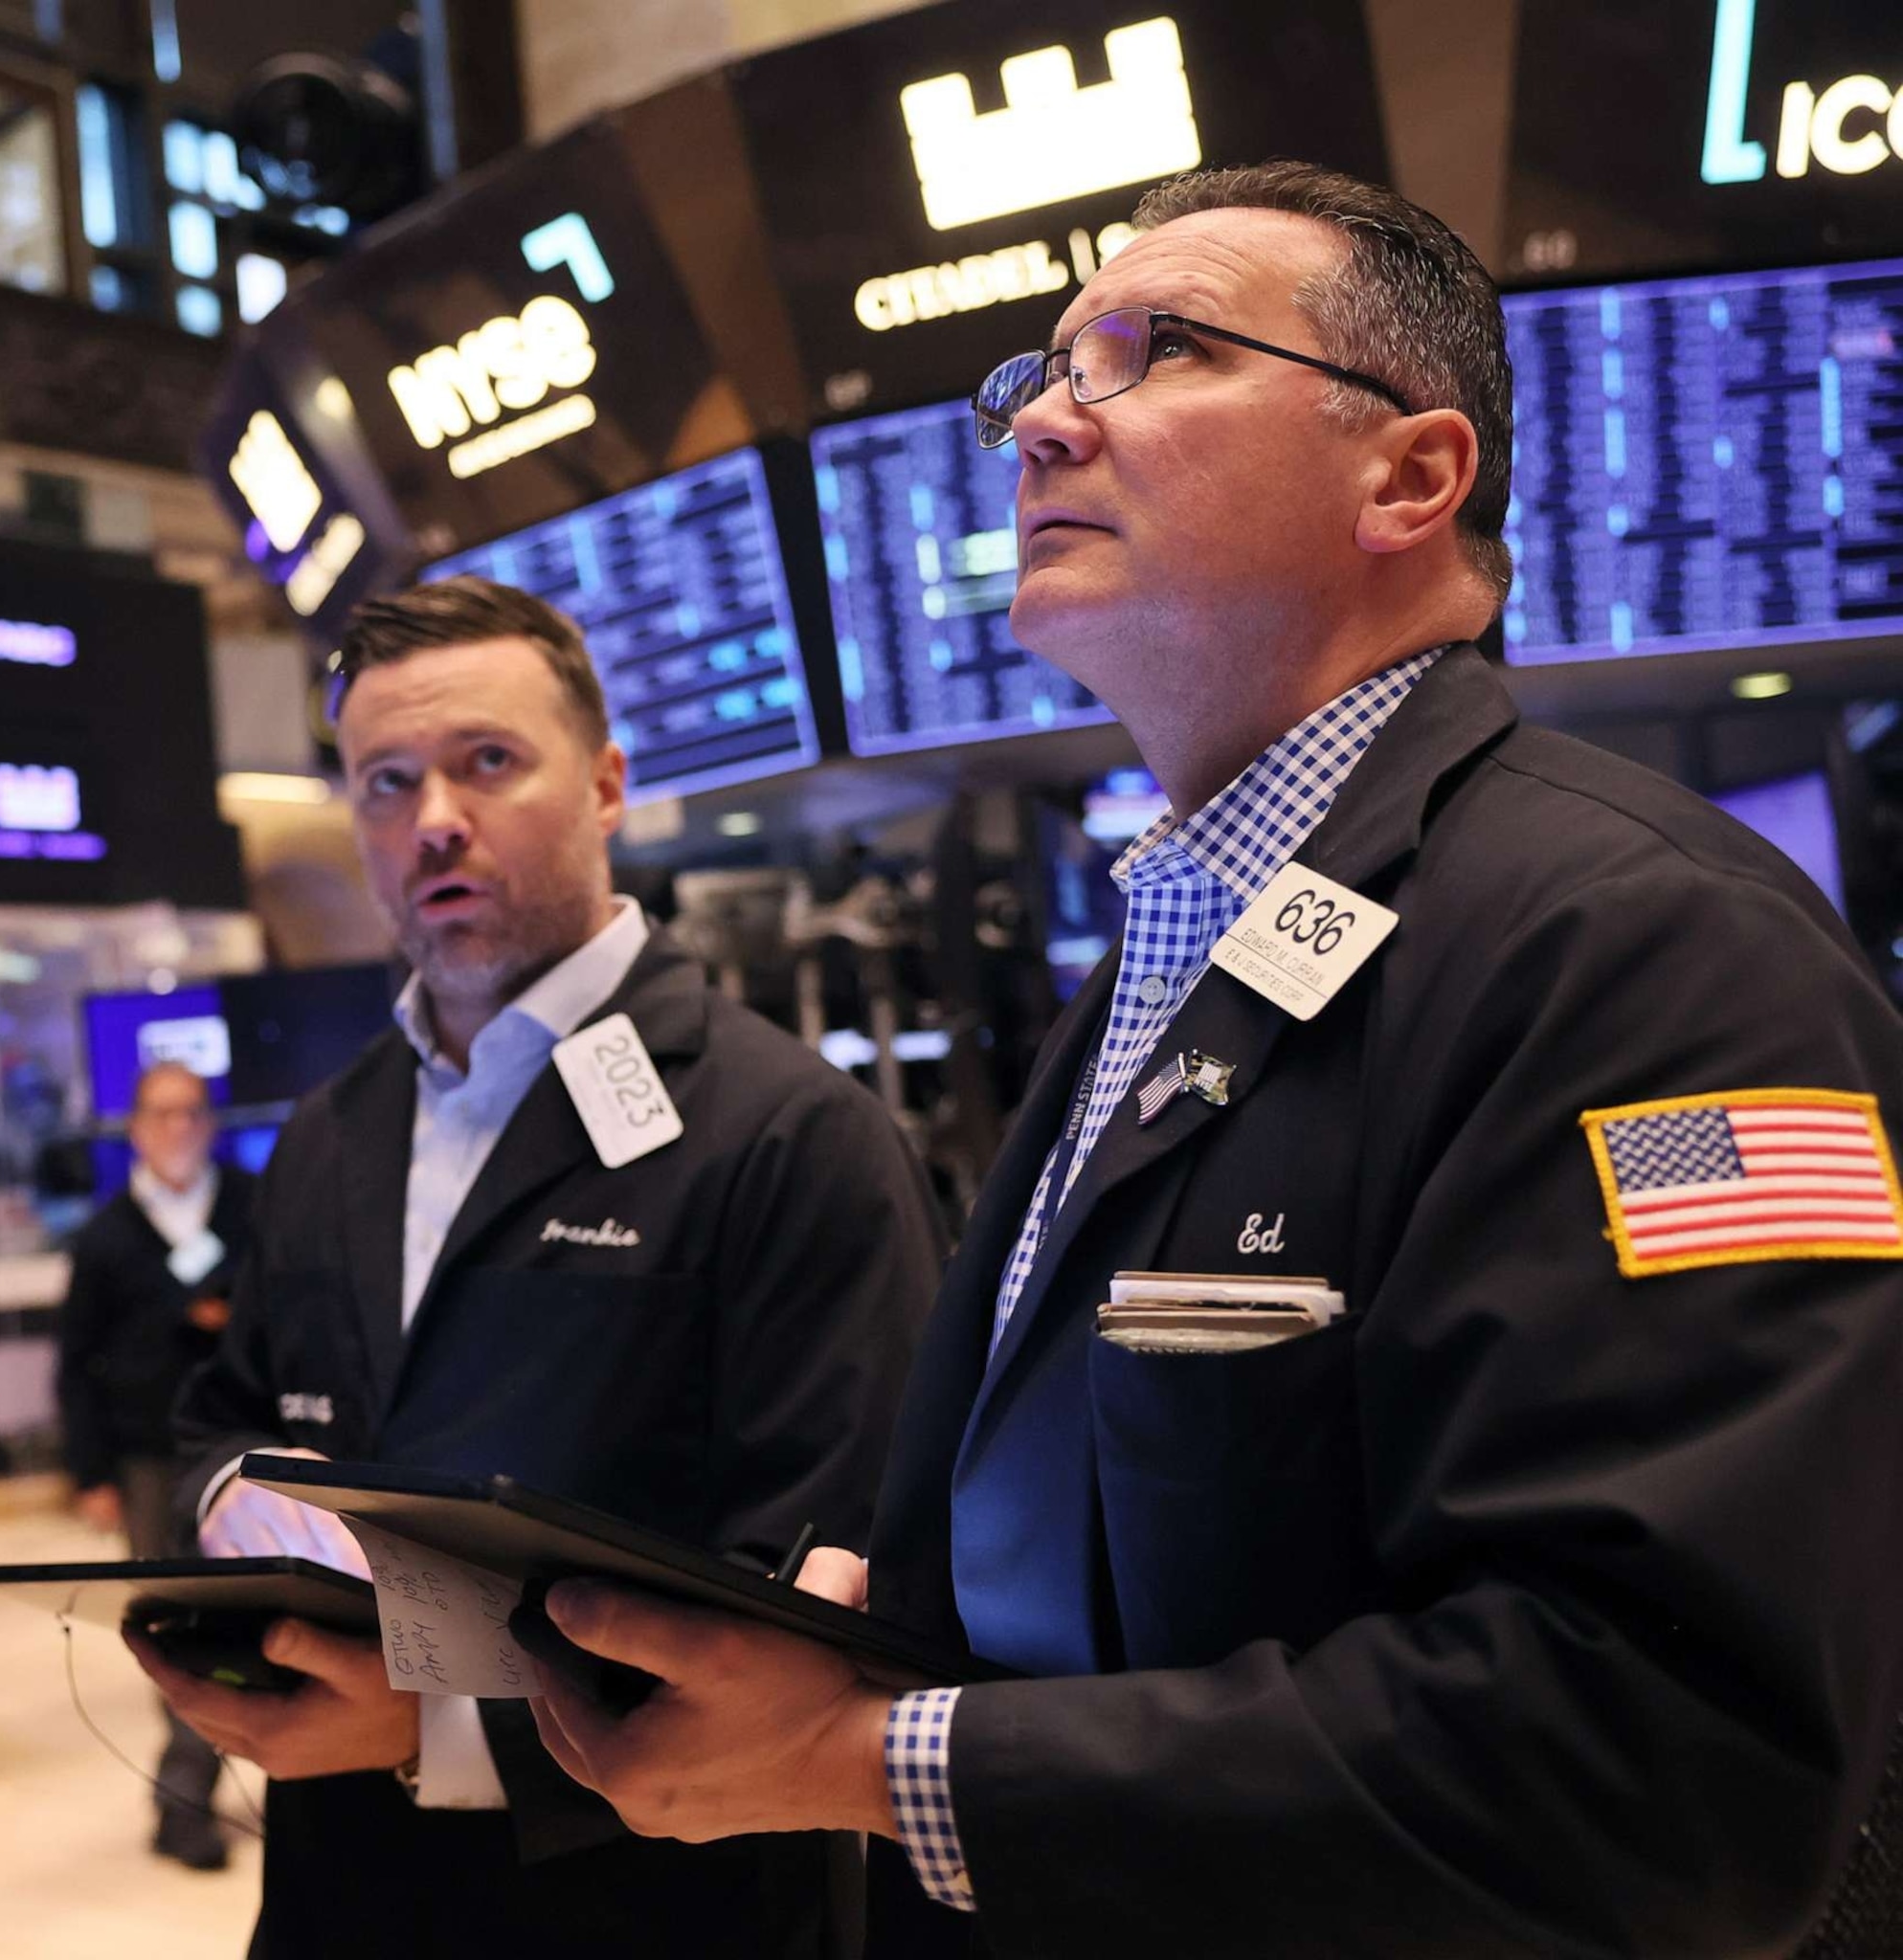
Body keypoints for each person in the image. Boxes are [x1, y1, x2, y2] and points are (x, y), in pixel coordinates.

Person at [521, 163, 1903, 1956]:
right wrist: (885, 1623)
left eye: (1148, 351)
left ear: (1408, 475)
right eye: (1036, 374)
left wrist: (889, 1755)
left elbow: (1654, 1758)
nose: (1038, 426)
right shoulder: (1181, 949)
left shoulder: (1655, 945)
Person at [134, 576, 940, 1960]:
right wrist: (232, 1520)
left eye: (487, 762)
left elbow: (825, 1600)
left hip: (657, 1907)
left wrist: (441, 1723)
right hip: (335, 1893)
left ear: (610, 784)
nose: (433, 817)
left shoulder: (792, 1135)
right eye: (385, 782)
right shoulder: (334, 1131)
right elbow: (234, 1412)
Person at [57, 1057, 258, 1871]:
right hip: (145, 1455)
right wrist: (88, 1471)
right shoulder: (108, 1235)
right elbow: (78, 1361)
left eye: (190, 1113)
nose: (177, 1129)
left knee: (249, 1618)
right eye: (161, 1114)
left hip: (245, 1449)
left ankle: (225, 1780)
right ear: (138, 1128)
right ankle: (184, 1798)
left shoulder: (252, 1211)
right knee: (175, 1622)